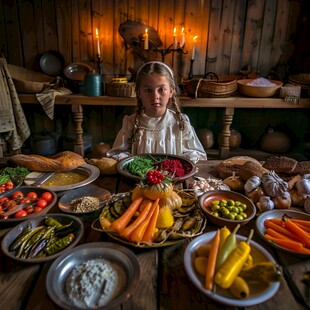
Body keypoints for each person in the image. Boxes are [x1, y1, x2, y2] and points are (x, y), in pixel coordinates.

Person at [106, 61, 207, 163]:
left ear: (171, 91)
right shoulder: (131, 123)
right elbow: (117, 153)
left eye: (161, 89)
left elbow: (196, 154)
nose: (155, 97)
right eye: (148, 90)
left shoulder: (180, 123)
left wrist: (187, 159)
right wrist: (124, 158)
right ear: (139, 93)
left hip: (174, 178)